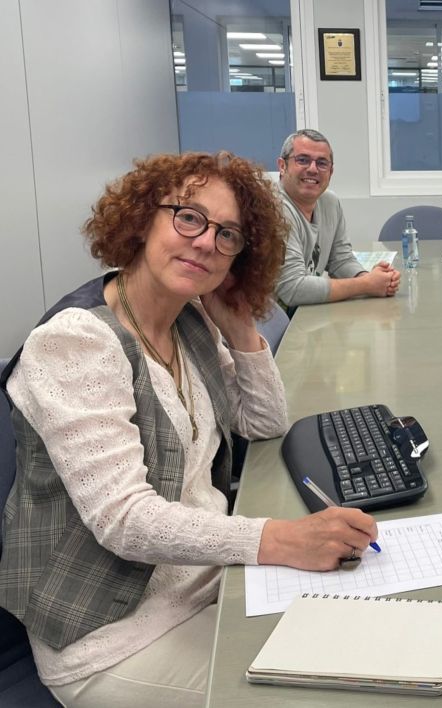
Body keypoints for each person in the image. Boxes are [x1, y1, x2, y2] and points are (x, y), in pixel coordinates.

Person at [0, 152, 379, 707]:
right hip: (113, 634)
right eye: (188, 217)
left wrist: (240, 325)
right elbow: (123, 519)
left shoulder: (187, 319)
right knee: (326, 694)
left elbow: (263, 420)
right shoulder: (77, 342)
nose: (205, 242)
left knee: (358, 645)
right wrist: (276, 538)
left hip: (206, 583)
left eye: (228, 235)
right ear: (141, 219)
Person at [274, 128, 400, 308]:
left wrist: (372, 279)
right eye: (302, 160)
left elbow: (340, 260)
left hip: (306, 315)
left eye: (322, 163)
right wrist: (366, 285)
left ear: (331, 171)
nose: (312, 169)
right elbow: (293, 289)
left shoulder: (330, 203)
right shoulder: (273, 209)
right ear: (282, 165)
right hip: (272, 327)